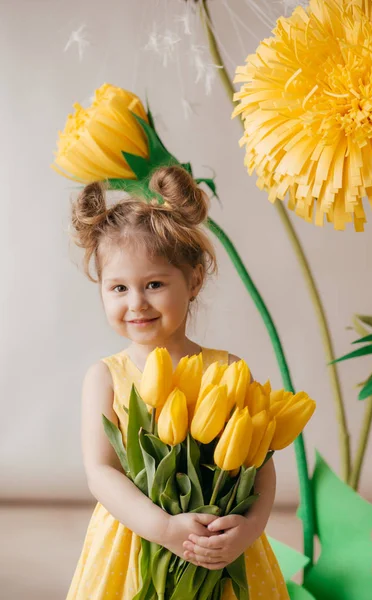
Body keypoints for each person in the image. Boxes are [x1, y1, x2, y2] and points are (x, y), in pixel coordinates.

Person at [66, 165, 289, 599]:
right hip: (136, 537)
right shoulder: (106, 377)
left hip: (217, 545)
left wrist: (248, 529)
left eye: (153, 284)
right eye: (118, 288)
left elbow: (259, 467)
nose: (136, 303)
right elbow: (101, 472)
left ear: (194, 281)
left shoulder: (225, 369)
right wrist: (163, 528)